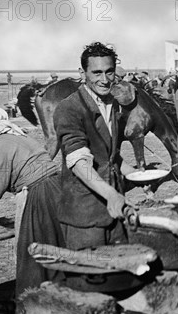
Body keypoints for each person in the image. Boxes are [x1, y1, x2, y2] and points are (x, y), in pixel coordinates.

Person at [0, 105, 64, 295]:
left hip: (39, 196)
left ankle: (35, 305)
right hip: (57, 188)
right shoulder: (18, 136)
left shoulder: (1, 147)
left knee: (32, 255)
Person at [55, 41, 136, 250]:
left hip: (115, 209)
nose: (104, 79)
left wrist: (133, 174)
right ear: (82, 73)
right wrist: (110, 194)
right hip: (85, 214)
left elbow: (110, 154)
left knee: (121, 273)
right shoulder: (69, 108)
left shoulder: (113, 102)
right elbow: (79, 162)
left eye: (109, 72)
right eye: (97, 72)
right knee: (89, 277)